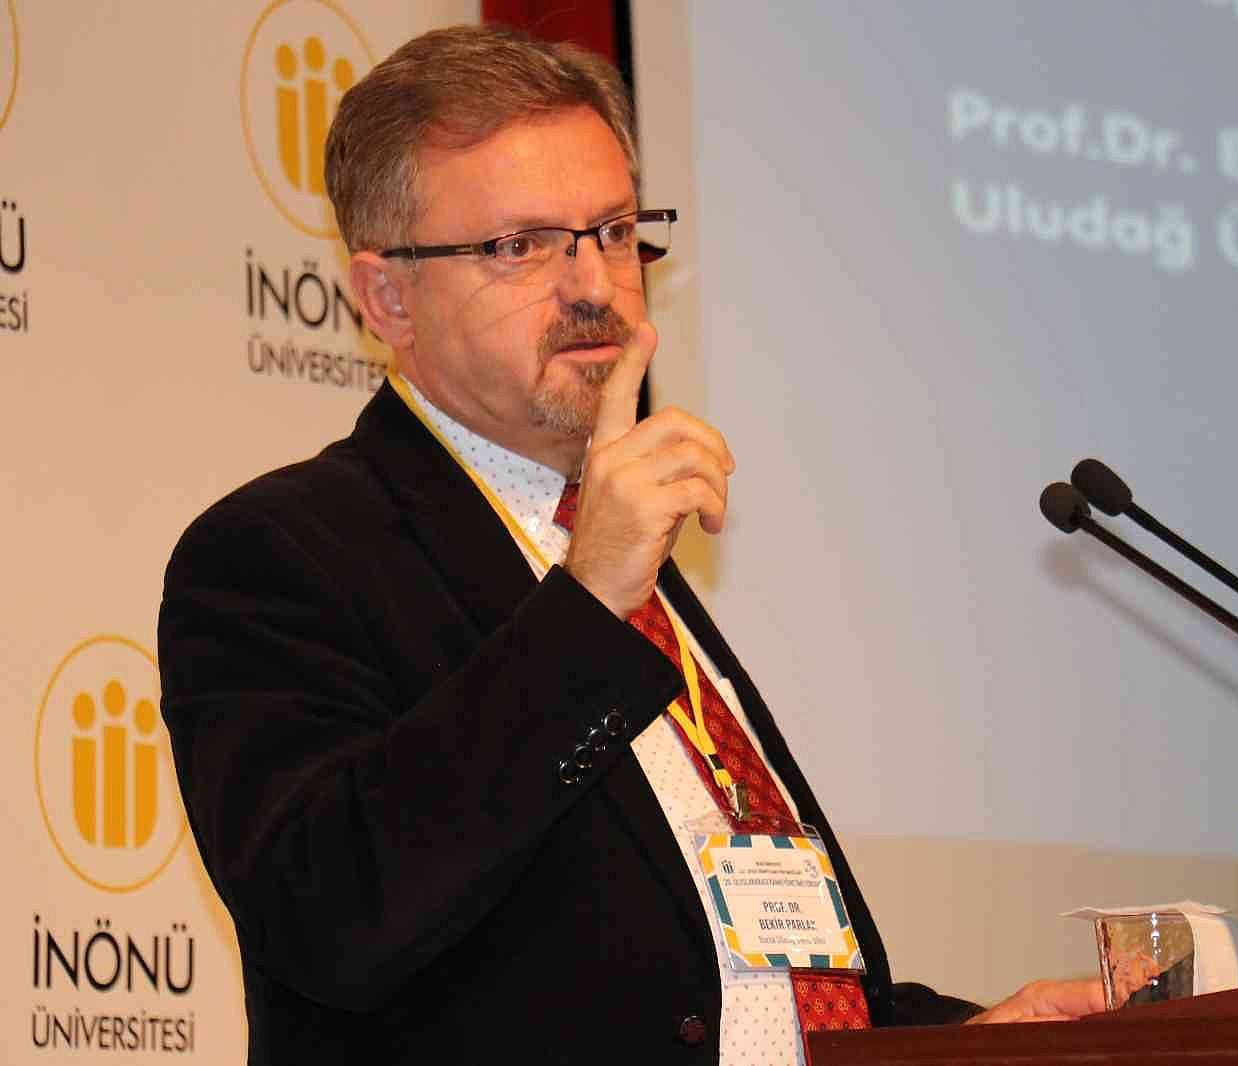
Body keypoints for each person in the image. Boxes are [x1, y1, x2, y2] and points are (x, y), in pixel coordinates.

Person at [158, 25, 1101, 1064]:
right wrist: (586, 602)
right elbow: (331, 918)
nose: (594, 286)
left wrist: (966, 1038)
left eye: (612, 230)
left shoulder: (615, 553)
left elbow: (737, 982)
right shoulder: (280, 557)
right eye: (520, 246)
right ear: (388, 298)